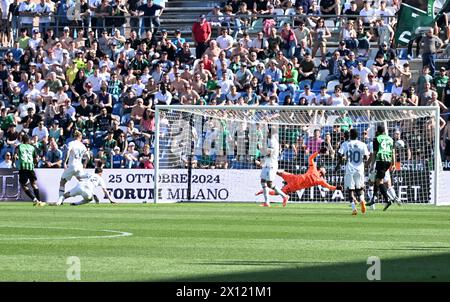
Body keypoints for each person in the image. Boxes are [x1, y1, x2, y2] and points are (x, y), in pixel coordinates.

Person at [255, 149, 343, 205]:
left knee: (278, 192)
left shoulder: (320, 180)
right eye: (325, 168)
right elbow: (311, 158)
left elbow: (329, 186)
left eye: (325, 169)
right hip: (295, 178)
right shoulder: (314, 169)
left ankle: (263, 191)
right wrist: (318, 152)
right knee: (279, 173)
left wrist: (336, 188)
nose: (325, 169)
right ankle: (263, 166)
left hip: (295, 186)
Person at [338, 128, 370, 215]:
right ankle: (362, 200)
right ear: (357, 135)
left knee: (350, 189)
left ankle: (354, 208)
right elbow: (367, 157)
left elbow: (340, 154)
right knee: (360, 188)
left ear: (350, 135)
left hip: (350, 168)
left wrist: (339, 164)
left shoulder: (346, 144)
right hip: (360, 168)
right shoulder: (362, 144)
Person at [366, 125, 396, 211]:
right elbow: (393, 152)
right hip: (388, 161)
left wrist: (372, 166)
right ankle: (374, 199)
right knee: (378, 180)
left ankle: (387, 199)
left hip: (381, 160)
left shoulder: (377, 139)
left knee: (379, 181)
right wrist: (393, 164)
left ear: (378, 131)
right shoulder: (390, 139)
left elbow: (374, 154)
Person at [258, 128, 289, 207]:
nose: (267, 132)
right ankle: (267, 202)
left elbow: (269, 153)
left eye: (268, 131)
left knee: (270, 184)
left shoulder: (272, 141)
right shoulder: (269, 140)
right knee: (263, 181)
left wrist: (260, 148)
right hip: (267, 164)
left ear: (270, 133)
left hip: (271, 164)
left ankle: (284, 196)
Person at [58, 131, 89, 201]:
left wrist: (65, 162)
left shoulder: (71, 143)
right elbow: (88, 156)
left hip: (72, 165)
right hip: (79, 166)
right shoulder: (83, 145)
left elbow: (68, 151)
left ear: (74, 136)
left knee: (62, 182)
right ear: (80, 137)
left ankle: (60, 200)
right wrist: (85, 163)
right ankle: (89, 196)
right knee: (83, 183)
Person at [14, 134, 45, 206]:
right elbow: (36, 158)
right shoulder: (32, 147)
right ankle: (39, 201)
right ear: (28, 140)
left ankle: (34, 199)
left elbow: (15, 156)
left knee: (23, 185)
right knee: (34, 184)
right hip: (31, 167)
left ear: (22, 140)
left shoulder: (19, 146)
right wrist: (35, 163)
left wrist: (16, 158)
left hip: (23, 167)